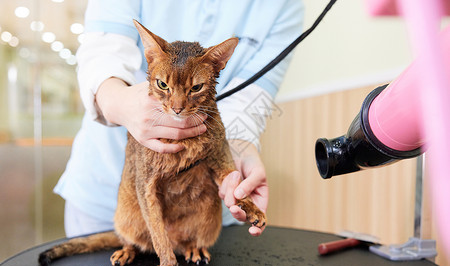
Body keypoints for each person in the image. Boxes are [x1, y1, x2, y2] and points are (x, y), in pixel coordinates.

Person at [55, 0, 304, 238]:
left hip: (197, 209)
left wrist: (237, 152)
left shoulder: (285, 6)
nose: (177, 106)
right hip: (104, 195)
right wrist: (120, 103)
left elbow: (248, 100)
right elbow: (103, 52)